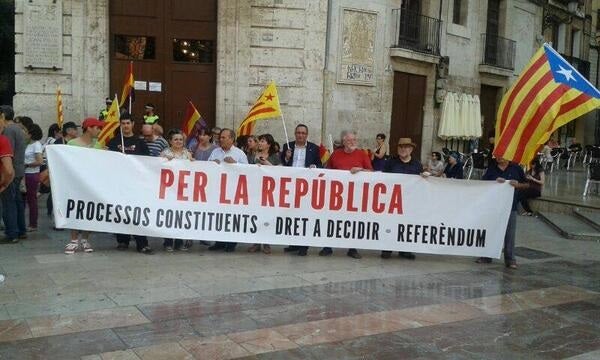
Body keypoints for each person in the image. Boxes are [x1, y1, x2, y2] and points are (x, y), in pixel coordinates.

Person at [319, 130, 372, 259]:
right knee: (332, 220)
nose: (352, 142)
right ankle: (328, 247)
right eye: (349, 140)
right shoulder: (336, 154)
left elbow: (371, 171)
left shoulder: (362, 154)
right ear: (343, 142)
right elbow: (328, 171)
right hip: (336, 195)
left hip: (355, 195)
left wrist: (361, 170)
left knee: (352, 221)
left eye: (354, 140)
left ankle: (352, 248)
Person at [107, 113, 154, 254]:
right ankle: (122, 240)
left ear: (133, 124)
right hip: (119, 183)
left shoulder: (140, 142)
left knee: (136, 213)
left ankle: (142, 243)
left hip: (136, 184)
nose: (126, 126)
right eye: (123, 123)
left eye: (128, 123)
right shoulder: (114, 142)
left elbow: (148, 162)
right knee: (120, 211)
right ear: (120, 125)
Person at [476, 157, 528, 269]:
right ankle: (486, 255)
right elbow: (483, 183)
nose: (498, 158)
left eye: (501, 155)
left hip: (510, 206)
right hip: (493, 206)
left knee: (510, 233)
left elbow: (527, 184)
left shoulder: (516, 168)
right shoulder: (492, 168)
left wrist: (518, 185)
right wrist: (494, 182)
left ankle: (510, 259)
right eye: (496, 155)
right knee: (490, 230)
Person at [63, 118, 105, 254]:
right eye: (97, 128)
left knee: (90, 212)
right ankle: (74, 239)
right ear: (89, 128)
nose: (99, 130)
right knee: (75, 209)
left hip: (92, 183)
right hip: (75, 183)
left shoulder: (98, 145)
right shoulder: (72, 144)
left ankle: (85, 239)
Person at [280, 124, 322, 256]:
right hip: (290, 185)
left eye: (303, 133)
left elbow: (319, 164)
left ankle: (304, 245)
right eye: (298, 132)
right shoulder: (287, 145)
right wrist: (286, 157)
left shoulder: (313, 148)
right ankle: (293, 244)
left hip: (306, 186)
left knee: (304, 215)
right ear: (294, 133)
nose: (300, 135)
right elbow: (283, 163)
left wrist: (314, 166)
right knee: (292, 215)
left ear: (307, 135)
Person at [207, 128, 249, 252]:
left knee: (231, 216)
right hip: (218, 190)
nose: (221, 139)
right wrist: (212, 163)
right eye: (220, 137)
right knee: (218, 216)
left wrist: (235, 164)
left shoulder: (239, 154)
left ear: (232, 139)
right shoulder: (215, 152)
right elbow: (205, 167)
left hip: (233, 190)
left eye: (224, 137)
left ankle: (231, 242)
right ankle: (219, 242)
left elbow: (248, 171)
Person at [381, 137, 423, 260]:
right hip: (393, 200)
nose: (403, 149)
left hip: (410, 201)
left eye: (406, 147)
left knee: (407, 225)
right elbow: (383, 179)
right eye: (401, 147)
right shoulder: (391, 162)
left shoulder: (417, 164)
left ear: (411, 149)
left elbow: (420, 182)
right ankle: (387, 248)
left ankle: (405, 250)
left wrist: (425, 177)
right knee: (390, 224)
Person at [160, 129, 194, 252]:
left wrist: (194, 163)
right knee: (169, 215)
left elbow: (193, 168)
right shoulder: (165, 153)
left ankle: (179, 242)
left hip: (182, 191)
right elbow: (158, 167)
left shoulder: (187, 154)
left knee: (180, 216)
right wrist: (164, 160)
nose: (178, 141)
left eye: (180, 139)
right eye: (176, 139)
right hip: (169, 190)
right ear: (170, 141)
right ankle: (168, 242)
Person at [247, 133, 281, 254]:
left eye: (263, 141)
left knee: (267, 216)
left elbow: (281, 171)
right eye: (260, 141)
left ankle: (266, 242)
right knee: (256, 215)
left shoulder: (275, 156)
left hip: (269, 190)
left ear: (269, 144)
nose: (260, 143)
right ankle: (256, 242)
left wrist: (266, 164)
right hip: (255, 189)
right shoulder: (252, 155)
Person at [0, 105, 26, 243]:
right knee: (17, 202)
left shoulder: (8, 130)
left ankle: (12, 232)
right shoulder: (18, 128)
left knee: (8, 202)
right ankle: (20, 230)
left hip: (11, 172)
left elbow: (7, 154)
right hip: (19, 169)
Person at [23, 124, 43, 232]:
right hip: (25, 174)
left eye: (26, 131)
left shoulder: (36, 145)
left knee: (32, 200)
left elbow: (39, 161)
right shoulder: (27, 144)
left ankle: (33, 224)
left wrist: (27, 164)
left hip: (32, 174)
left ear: (30, 134)